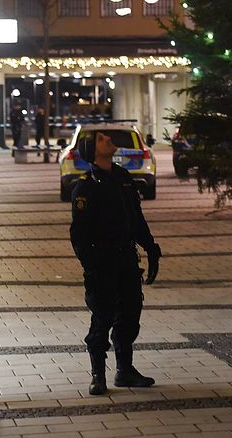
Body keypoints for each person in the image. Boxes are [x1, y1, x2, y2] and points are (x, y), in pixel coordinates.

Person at [69, 131, 162, 396]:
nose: (108, 139)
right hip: (102, 261)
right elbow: (78, 233)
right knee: (103, 317)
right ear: (92, 150)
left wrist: (151, 247)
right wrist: (90, 265)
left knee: (130, 315)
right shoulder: (85, 186)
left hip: (126, 259)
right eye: (100, 139)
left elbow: (136, 218)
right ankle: (98, 374)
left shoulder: (123, 178)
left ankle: (125, 370)